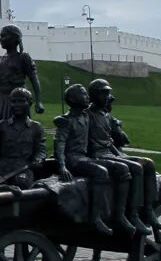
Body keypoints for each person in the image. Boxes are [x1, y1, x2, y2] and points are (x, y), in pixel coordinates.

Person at [54, 83, 128, 235]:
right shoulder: (67, 121)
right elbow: (59, 145)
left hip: (84, 158)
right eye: (84, 95)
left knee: (109, 169)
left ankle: (115, 214)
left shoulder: (85, 115)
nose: (88, 97)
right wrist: (62, 166)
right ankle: (96, 217)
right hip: (74, 160)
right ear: (73, 100)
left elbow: (101, 110)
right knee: (101, 172)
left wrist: (108, 100)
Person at [86, 79, 152, 236]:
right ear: (94, 95)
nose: (107, 97)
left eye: (108, 93)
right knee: (133, 168)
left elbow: (109, 142)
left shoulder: (105, 115)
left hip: (108, 153)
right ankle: (123, 215)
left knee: (147, 163)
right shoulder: (87, 115)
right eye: (104, 93)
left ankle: (145, 211)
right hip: (96, 155)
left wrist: (122, 155)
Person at [0, 25, 44, 127]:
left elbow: (34, 80)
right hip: (2, 101)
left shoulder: (23, 58)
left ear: (14, 38)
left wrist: (39, 101)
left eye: (3, 36)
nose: (0, 39)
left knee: (20, 128)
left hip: (18, 101)